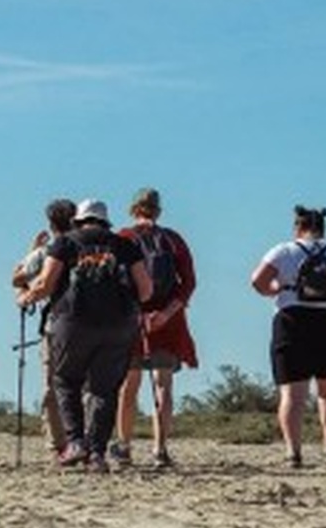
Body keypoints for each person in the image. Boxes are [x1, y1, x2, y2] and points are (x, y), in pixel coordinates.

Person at [19, 198, 152, 473]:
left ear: (78, 220)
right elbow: (146, 290)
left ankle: (76, 442)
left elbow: (45, 283)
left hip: (73, 323)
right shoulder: (125, 245)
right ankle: (97, 454)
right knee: (105, 390)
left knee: (66, 380)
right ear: (105, 221)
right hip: (117, 327)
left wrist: (27, 297)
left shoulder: (65, 242)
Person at [250, 205, 326, 467]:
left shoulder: (283, 250)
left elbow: (258, 280)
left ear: (298, 227)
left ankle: (293, 452)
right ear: (323, 228)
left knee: (292, 394)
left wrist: (276, 288)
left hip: (292, 320)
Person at [111, 188, 198, 469]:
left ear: (133, 208)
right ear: (158, 210)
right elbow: (188, 283)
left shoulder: (123, 238)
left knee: (129, 384)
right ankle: (160, 449)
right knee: (164, 385)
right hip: (168, 320)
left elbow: (113, 281)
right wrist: (167, 313)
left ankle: (124, 446)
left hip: (132, 318)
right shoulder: (172, 240)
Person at [11, 197, 77, 455]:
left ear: (51, 224)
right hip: (91, 323)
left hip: (55, 324)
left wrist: (31, 252)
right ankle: (83, 441)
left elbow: (17, 278)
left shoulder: (46, 252)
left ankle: (57, 443)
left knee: (52, 383)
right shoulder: (90, 248)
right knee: (85, 384)